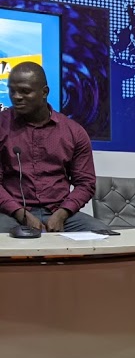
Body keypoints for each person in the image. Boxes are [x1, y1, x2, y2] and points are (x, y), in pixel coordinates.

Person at [0, 62, 111, 235]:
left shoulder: (73, 132)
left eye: (24, 91)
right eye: (12, 90)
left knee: (103, 235)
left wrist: (62, 214)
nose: (16, 97)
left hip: (60, 213)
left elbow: (85, 184)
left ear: (44, 92)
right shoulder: (2, 125)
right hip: (12, 213)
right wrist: (21, 214)